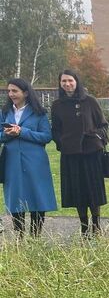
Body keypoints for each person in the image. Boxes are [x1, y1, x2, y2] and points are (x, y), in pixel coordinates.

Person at [51, 69, 109, 238]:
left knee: (93, 189)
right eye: (64, 81)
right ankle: (84, 226)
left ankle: (96, 224)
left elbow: (103, 125)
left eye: (70, 80)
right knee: (78, 190)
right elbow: (55, 129)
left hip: (91, 152)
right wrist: (62, 143)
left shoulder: (90, 101)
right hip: (71, 154)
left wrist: (97, 138)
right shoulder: (57, 105)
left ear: (76, 81)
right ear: (60, 84)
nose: (67, 84)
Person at [1, 79, 57, 237]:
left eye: (15, 91)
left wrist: (22, 132)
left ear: (25, 93)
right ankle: (19, 237)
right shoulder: (5, 112)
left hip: (35, 161)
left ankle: (35, 237)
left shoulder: (39, 113)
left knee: (37, 196)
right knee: (15, 197)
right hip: (11, 161)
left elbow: (46, 136)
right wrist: (6, 134)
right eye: (9, 91)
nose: (11, 94)